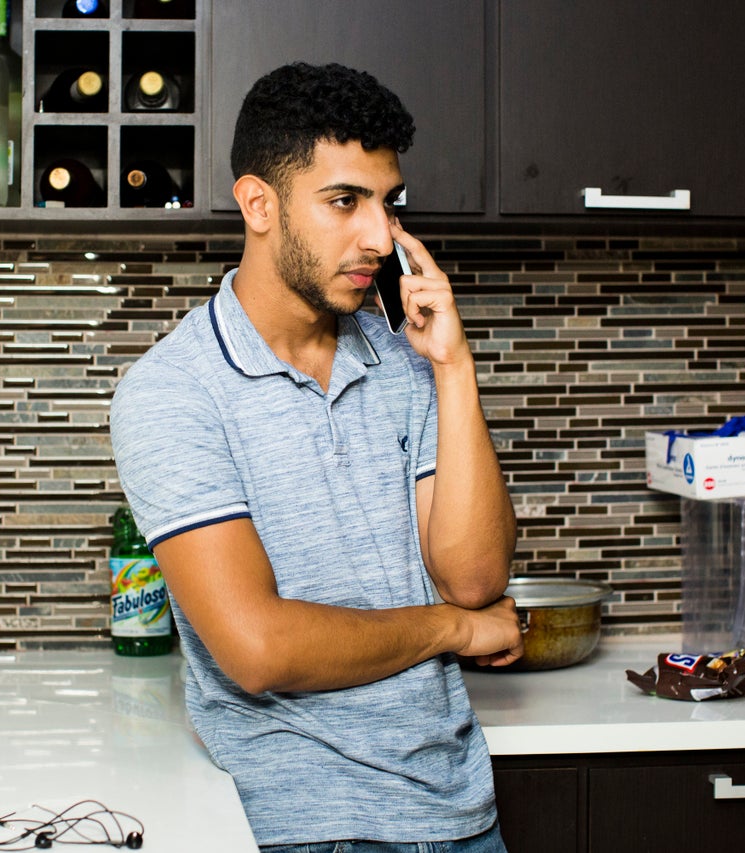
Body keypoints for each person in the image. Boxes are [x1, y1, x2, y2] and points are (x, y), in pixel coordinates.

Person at [109, 61, 522, 852]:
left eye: (388, 203)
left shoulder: (404, 359)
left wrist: (455, 366)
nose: (380, 236)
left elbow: (475, 578)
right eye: (345, 201)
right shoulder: (173, 393)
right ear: (258, 204)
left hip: (462, 813)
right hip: (312, 828)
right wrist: (455, 632)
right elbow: (261, 648)